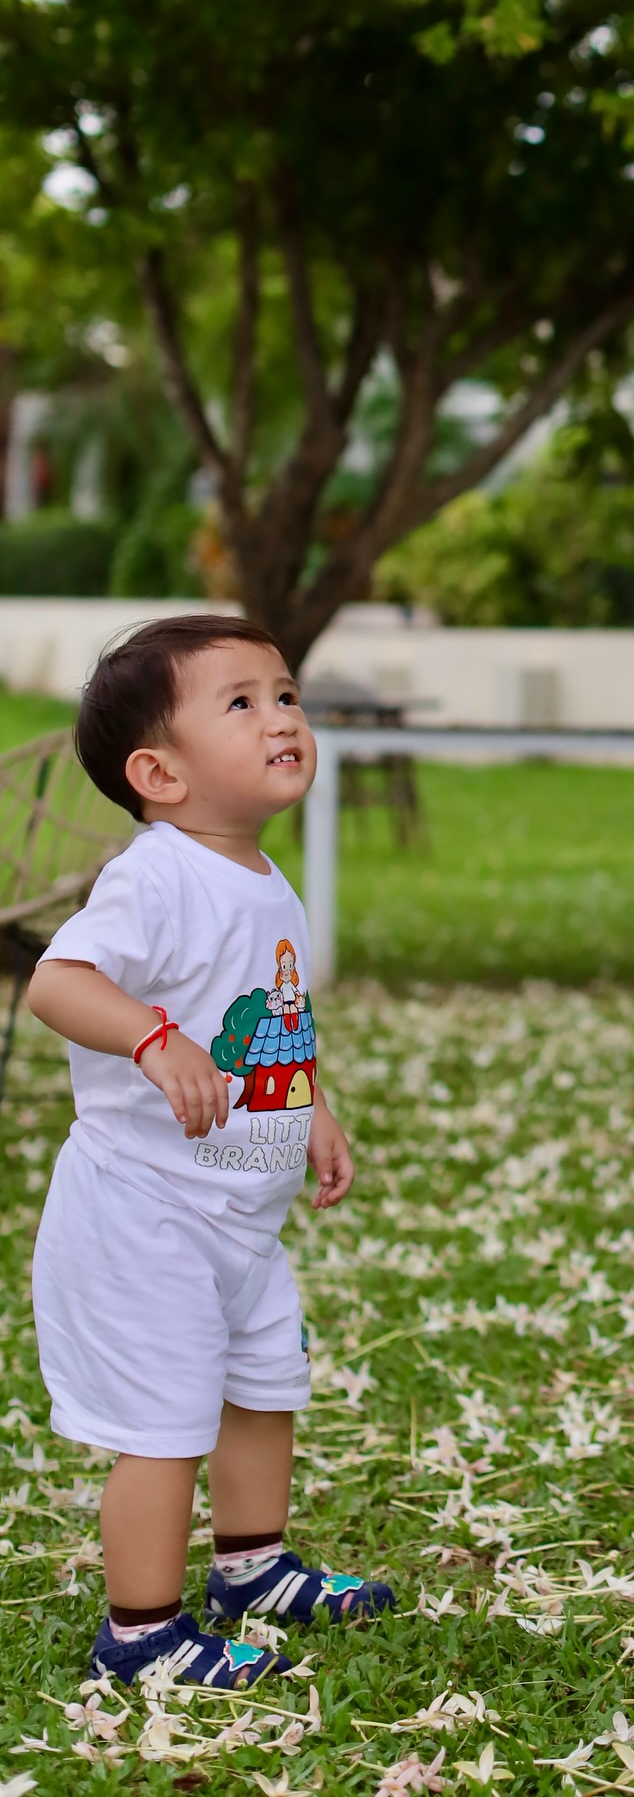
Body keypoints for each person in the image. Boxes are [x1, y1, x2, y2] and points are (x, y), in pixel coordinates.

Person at [26, 616, 395, 1688]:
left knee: (262, 1389)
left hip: (241, 1212)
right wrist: (151, 1036)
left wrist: (307, 1108)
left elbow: (269, 1021)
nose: (282, 716)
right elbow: (59, 982)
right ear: (161, 772)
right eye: (241, 703)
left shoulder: (263, 879)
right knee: (168, 1422)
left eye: (285, 694)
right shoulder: (156, 876)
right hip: (148, 1214)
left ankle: (253, 1568)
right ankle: (139, 1635)